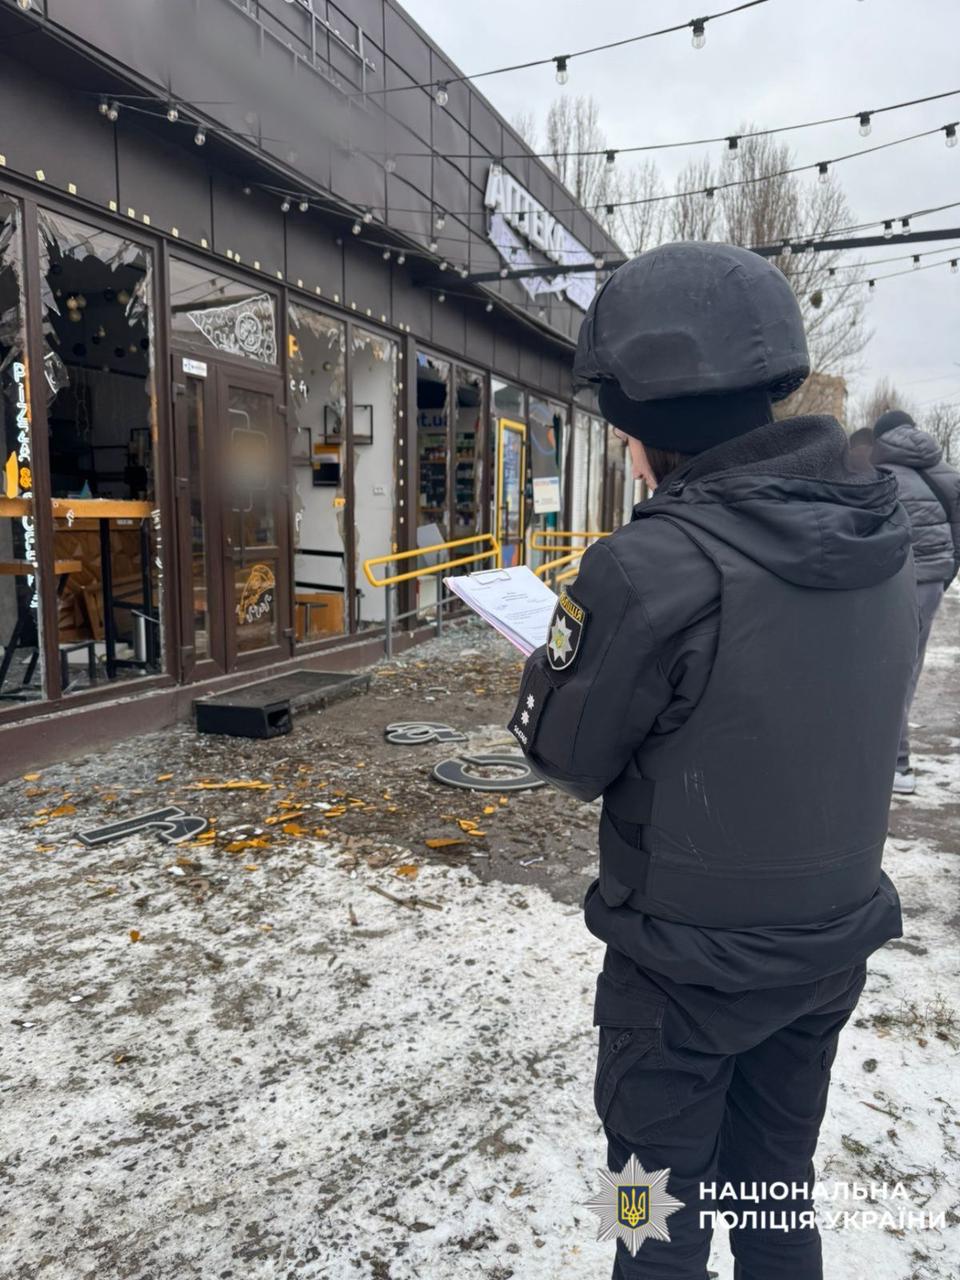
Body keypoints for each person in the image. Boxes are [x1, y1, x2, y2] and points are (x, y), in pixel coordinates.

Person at [507, 242, 917, 1280]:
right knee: (779, 1188)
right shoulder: (887, 533)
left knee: (649, 1221)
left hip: (677, 981)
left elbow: (563, 752)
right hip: (825, 952)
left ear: (636, 429)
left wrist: (562, 656)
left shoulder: (647, 569)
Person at [872, 408, 960, 793]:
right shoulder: (947, 473)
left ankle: (895, 763)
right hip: (932, 580)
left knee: (884, 667)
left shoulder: (879, 474)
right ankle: (897, 763)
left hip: (890, 578)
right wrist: (943, 576)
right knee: (907, 667)